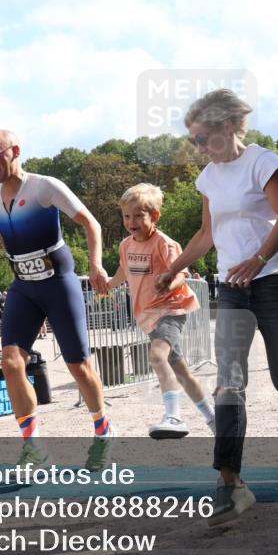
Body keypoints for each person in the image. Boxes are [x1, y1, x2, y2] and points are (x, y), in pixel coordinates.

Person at [155, 89, 278, 527]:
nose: (198, 148)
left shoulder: (263, 163)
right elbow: (206, 234)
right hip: (232, 289)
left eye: (202, 138)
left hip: (275, 282)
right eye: (192, 140)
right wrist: (173, 269)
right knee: (229, 382)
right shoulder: (208, 178)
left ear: (228, 127)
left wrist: (259, 259)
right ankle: (231, 484)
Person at [0, 129, 116, 470]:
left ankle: (103, 431)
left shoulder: (44, 186)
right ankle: (34, 448)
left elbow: (91, 224)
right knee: (11, 363)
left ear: (15, 151)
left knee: (79, 367)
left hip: (58, 283)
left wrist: (96, 265)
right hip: (23, 286)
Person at [106, 183, 216, 439]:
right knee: (181, 371)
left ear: (154, 216)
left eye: (138, 216)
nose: (131, 222)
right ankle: (214, 419)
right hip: (147, 315)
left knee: (157, 357)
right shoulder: (126, 245)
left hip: (171, 308)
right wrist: (108, 285)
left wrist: (169, 283)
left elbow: (181, 274)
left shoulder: (164, 243)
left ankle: (174, 416)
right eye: (126, 216)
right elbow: (123, 270)